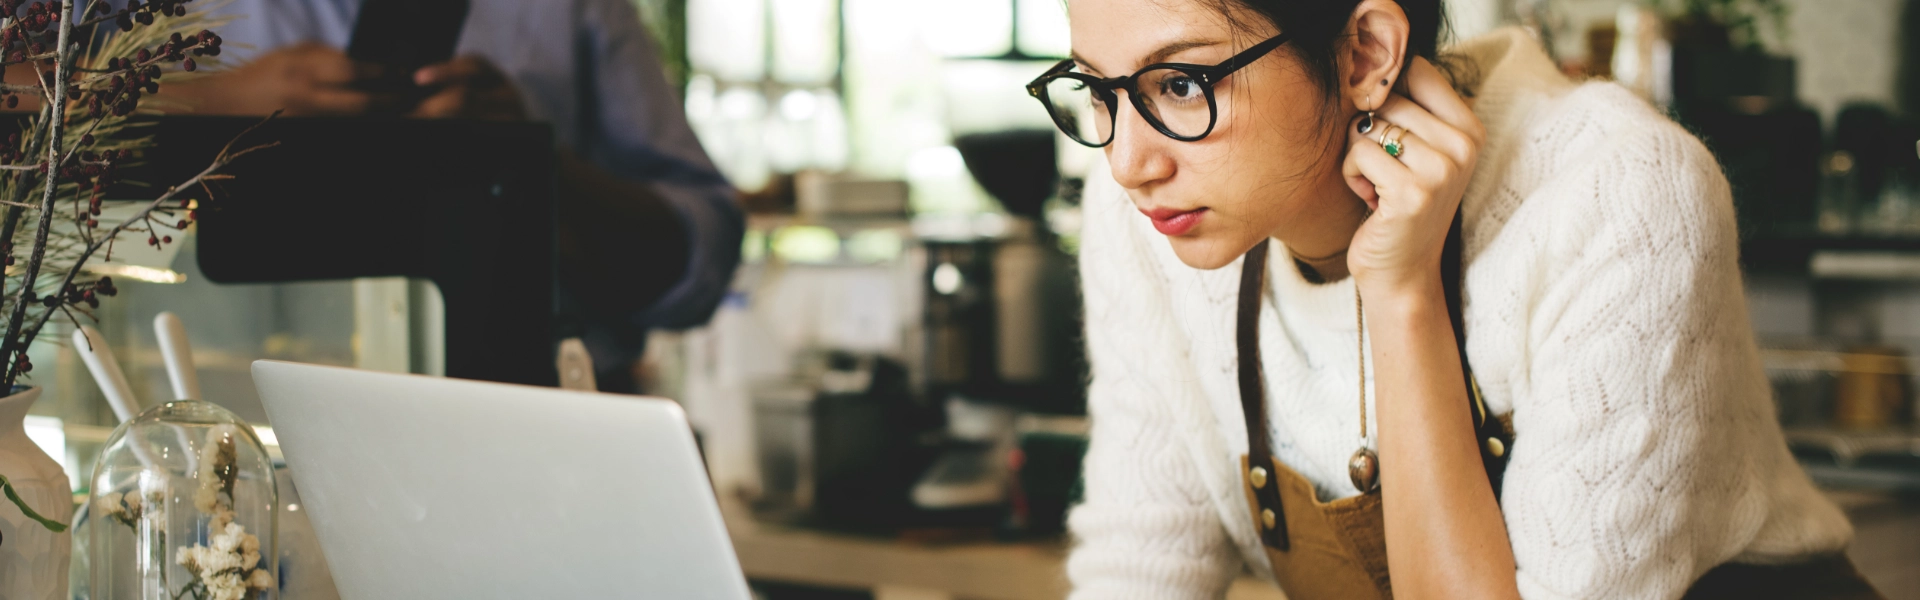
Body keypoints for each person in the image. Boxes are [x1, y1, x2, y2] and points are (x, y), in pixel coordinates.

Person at [1035, 0, 1878, 598]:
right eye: (1099, 90)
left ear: (1364, 53)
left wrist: (1402, 294)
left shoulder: (1614, 192)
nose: (1126, 162)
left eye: (1180, 84)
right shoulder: (1148, 216)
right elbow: (1140, 562)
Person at [157, 0, 743, 392]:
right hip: (233, 422)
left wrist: (529, 165)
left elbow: (703, 256)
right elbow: (64, 125)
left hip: (536, 421)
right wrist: (204, 103)